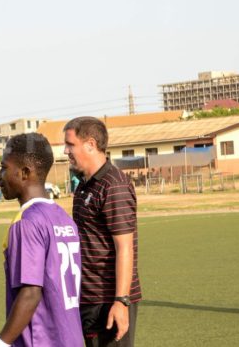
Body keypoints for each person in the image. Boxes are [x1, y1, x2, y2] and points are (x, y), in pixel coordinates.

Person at [0, 133, 83, 347]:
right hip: (71, 339)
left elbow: (31, 293)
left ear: (24, 173)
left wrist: (0, 343)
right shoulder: (63, 218)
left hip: (42, 340)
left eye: (4, 168)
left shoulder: (27, 222)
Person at [63, 117, 142, 347]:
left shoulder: (113, 184)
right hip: (88, 299)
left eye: (70, 144)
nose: (66, 150)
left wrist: (121, 301)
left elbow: (124, 247)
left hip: (108, 301)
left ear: (90, 144)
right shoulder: (84, 184)